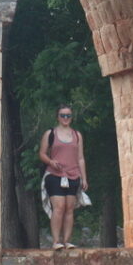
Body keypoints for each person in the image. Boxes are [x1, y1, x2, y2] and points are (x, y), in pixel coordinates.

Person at [38, 104, 88, 250]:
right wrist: (51, 162)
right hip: (55, 175)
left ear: (71, 117)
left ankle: (66, 241)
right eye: (62, 115)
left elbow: (80, 158)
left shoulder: (77, 135)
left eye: (68, 115)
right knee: (59, 207)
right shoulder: (50, 133)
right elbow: (42, 153)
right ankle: (55, 241)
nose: (65, 118)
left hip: (73, 175)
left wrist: (84, 178)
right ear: (58, 117)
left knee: (69, 209)